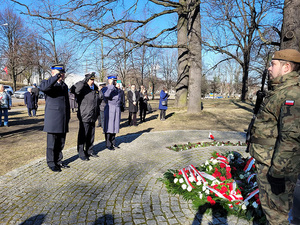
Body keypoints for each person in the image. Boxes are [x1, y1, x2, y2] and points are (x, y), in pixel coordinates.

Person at [249, 49, 300, 225]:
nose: (269, 68)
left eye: (273, 64)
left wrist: (277, 174)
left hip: (275, 168)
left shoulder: (291, 94)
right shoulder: (281, 90)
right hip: (268, 161)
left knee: (277, 218)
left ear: (286, 67)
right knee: (272, 214)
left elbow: (291, 138)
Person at [40, 64, 70, 172]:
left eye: (62, 74)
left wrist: (68, 116)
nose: (61, 76)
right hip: (53, 119)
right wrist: (55, 77)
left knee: (61, 142)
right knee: (52, 143)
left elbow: (67, 102)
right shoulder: (47, 83)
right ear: (53, 73)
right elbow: (43, 88)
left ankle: (58, 161)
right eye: (59, 73)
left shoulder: (64, 86)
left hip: (63, 118)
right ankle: (51, 162)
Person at [71, 72, 100, 161]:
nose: (92, 81)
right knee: (83, 134)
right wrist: (83, 82)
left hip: (93, 114)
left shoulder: (95, 87)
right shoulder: (82, 87)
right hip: (85, 114)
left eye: (93, 79)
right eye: (91, 79)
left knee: (91, 134)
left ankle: (89, 150)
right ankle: (81, 152)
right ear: (87, 79)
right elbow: (74, 90)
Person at [102, 75, 121, 150]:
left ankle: (113, 142)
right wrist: (110, 85)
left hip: (116, 109)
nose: (115, 82)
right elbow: (106, 95)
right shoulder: (106, 88)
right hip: (110, 108)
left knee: (115, 126)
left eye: (115, 80)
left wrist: (118, 88)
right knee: (109, 127)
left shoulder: (116, 89)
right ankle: (108, 144)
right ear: (110, 80)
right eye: (114, 80)